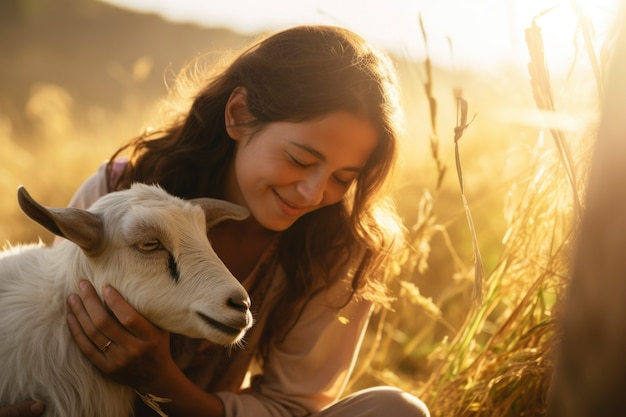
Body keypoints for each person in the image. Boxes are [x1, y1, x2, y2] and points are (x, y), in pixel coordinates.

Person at [2, 25, 430, 417]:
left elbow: (291, 406)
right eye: (300, 159)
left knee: (398, 411)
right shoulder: (120, 194)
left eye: (343, 178)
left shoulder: (337, 249)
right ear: (240, 114)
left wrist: (161, 381)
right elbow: (51, 330)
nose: (313, 193)